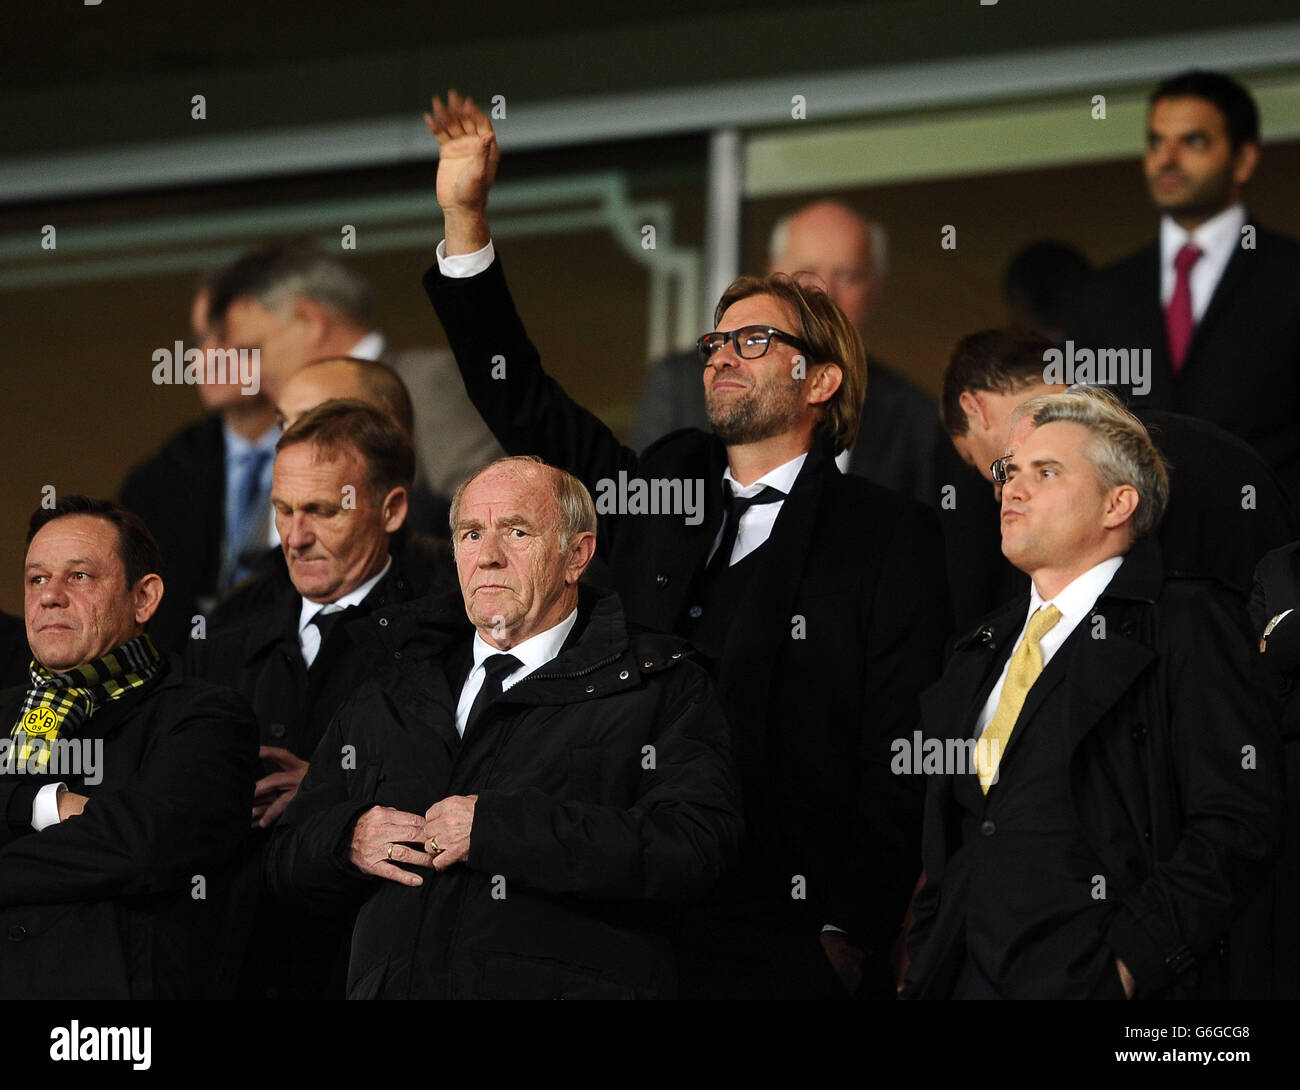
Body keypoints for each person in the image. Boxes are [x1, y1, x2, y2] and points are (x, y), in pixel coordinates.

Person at [421, 90, 950, 997]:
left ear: (819, 376)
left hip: (781, 930)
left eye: (753, 339)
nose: (720, 355)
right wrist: (465, 220)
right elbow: (523, 402)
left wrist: (845, 924)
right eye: (716, 338)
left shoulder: (887, 534)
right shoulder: (664, 482)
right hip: (615, 915)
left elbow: (896, 751)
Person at [266, 456, 741, 999]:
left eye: (517, 532)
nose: (488, 556)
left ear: (577, 555)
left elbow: (695, 847)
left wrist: (500, 831)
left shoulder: (659, 683)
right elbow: (283, 862)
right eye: (471, 534)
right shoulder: (389, 689)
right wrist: (346, 839)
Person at [904, 388, 1282, 999]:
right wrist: (926, 960)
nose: (1011, 489)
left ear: (1118, 503)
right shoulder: (976, 647)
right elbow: (952, 843)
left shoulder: (1188, 621)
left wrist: (1128, 969)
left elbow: (1237, 824)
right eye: (1008, 471)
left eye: (1045, 472)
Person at [186, 400, 451, 997]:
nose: (295, 538)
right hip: (239, 962)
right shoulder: (225, 635)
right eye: (282, 510)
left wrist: (328, 788)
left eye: (323, 511)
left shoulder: (449, 638)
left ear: (393, 510)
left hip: (373, 956)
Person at [0, 496, 256, 998]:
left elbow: (139, 846)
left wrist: (20, 805)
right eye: (36, 579)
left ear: (144, 598)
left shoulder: (205, 717)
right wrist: (55, 809)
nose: (50, 596)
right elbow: (105, 842)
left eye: (79, 577)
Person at [941, 328, 1295, 623]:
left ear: (975, 408)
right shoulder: (1219, 446)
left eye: (977, 462)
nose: (1000, 491)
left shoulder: (1086, 489)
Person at [1068, 69, 1300, 501]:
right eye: (1156, 141)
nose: (1167, 158)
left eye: (1193, 141)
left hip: (1276, 545)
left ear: (1244, 159)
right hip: (1142, 553)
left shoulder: (1289, 276)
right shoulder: (1103, 294)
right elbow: (1080, 433)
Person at [631, 200, 949, 508]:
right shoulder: (681, 383)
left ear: (876, 289)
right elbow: (638, 518)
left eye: (849, 276)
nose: (824, 292)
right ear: (774, 277)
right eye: (805, 272)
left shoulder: (919, 420)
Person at [209, 239, 504, 497]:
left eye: (254, 351)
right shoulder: (283, 417)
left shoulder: (423, 381)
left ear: (309, 322)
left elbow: (485, 509)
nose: (254, 374)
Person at [119, 275, 280, 652]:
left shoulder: (335, 450)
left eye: (226, 338)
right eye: (200, 341)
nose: (208, 357)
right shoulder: (157, 480)